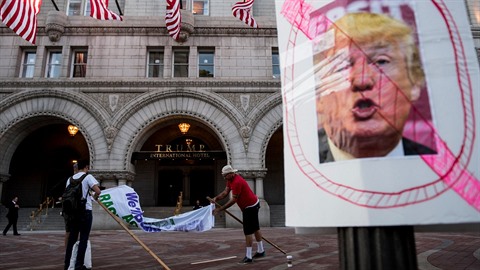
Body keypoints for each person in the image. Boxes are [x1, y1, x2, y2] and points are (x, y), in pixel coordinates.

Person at [313, 12, 436, 163]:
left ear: (414, 83)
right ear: (318, 96)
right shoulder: (301, 166)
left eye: (381, 62)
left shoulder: (438, 165)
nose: (362, 80)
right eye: (342, 66)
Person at [212, 165, 265, 264]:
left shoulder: (237, 182)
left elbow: (233, 200)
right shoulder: (230, 180)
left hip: (250, 206)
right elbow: (225, 192)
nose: (224, 177)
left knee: (248, 231)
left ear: (231, 174)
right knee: (255, 228)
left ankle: (249, 257)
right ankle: (261, 250)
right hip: (252, 204)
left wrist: (220, 209)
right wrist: (216, 198)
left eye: (225, 175)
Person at [64, 160, 101, 270]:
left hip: (72, 212)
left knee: (72, 239)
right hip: (85, 211)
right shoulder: (87, 177)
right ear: (86, 167)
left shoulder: (70, 179)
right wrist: (94, 198)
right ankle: (79, 264)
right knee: (84, 238)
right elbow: (98, 191)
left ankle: (67, 263)